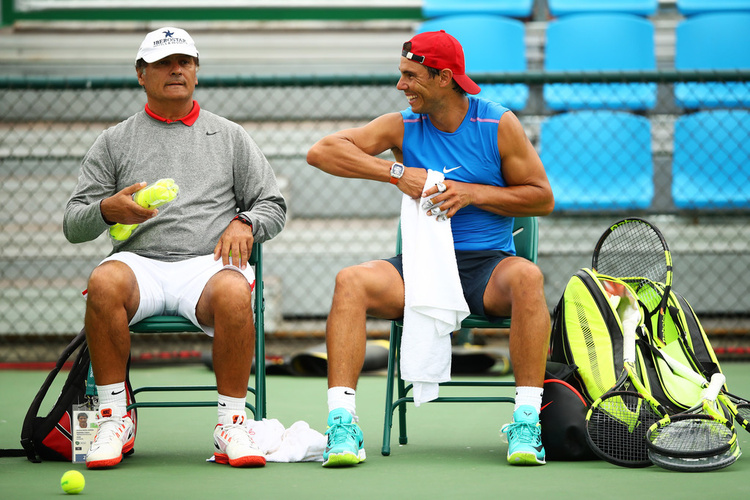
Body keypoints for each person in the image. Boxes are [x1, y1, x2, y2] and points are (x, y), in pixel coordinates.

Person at [306, 30, 554, 467]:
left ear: (443, 78)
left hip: (486, 268)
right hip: (420, 264)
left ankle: (527, 420)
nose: (401, 86)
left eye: (410, 76)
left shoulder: (497, 123)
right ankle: (342, 425)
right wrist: (397, 172)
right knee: (351, 281)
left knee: (529, 277)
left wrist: (472, 193)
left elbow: (541, 197)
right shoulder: (402, 124)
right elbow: (322, 152)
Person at [64, 27, 287, 469]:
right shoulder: (113, 140)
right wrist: (107, 210)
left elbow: (273, 206)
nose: (176, 70)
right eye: (164, 63)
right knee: (103, 280)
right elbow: (74, 223)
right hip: (138, 265)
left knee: (234, 292)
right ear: (141, 74)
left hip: (207, 268)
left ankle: (231, 425)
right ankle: (112, 419)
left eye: (185, 62)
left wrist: (247, 221)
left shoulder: (230, 136)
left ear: (197, 72)